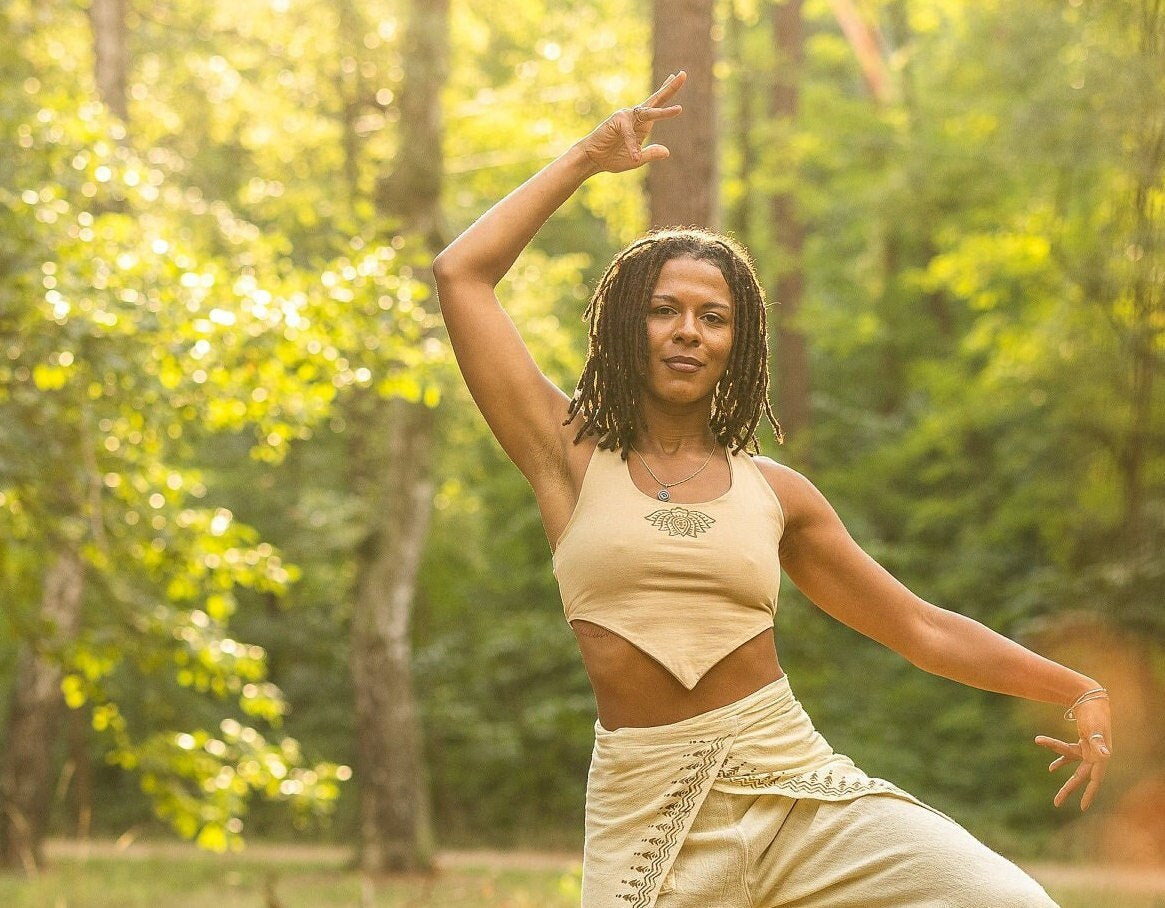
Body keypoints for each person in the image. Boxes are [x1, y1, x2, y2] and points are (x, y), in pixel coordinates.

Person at [432, 71, 1112, 908]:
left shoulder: (778, 495)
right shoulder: (563, 452)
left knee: (1007, 902)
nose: (687, 331)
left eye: (712, 317)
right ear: (626, 325)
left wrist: (1075, 687)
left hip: (792, 786)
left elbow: (920, 627)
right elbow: (461, 274)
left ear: (737, 343)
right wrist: (585, 158)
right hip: (644, 809)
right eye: (664, 310)